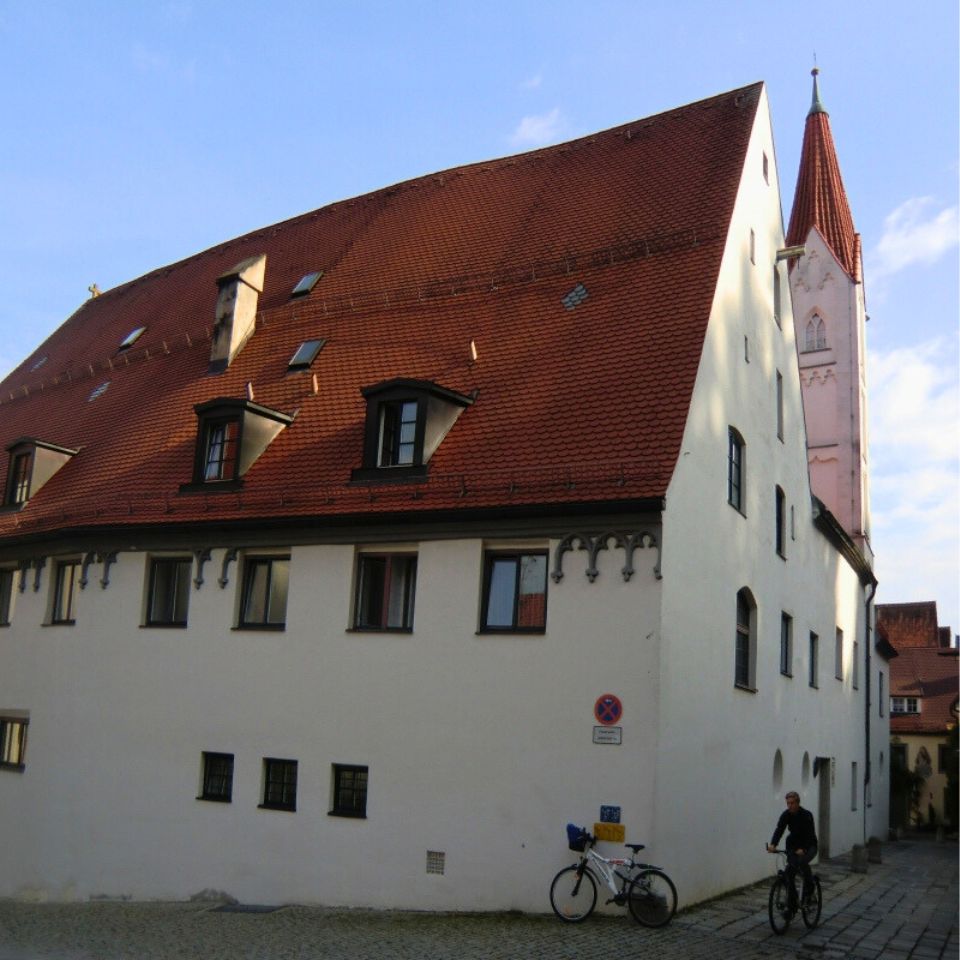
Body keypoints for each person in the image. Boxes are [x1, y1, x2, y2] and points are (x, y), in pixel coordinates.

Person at [767, 791, 818, 907]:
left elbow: (810, 835)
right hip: (793, 846)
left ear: (798, 803)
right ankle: (792, 903)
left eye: (792, 803)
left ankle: (810, 889)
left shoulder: (806, 815)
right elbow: (779, 829)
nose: (789, 806)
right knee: (789, 872)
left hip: (810, 846)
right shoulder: (786, 815)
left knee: (802, 862)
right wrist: (773, 844)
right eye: (788, 803)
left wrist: (804, 849)